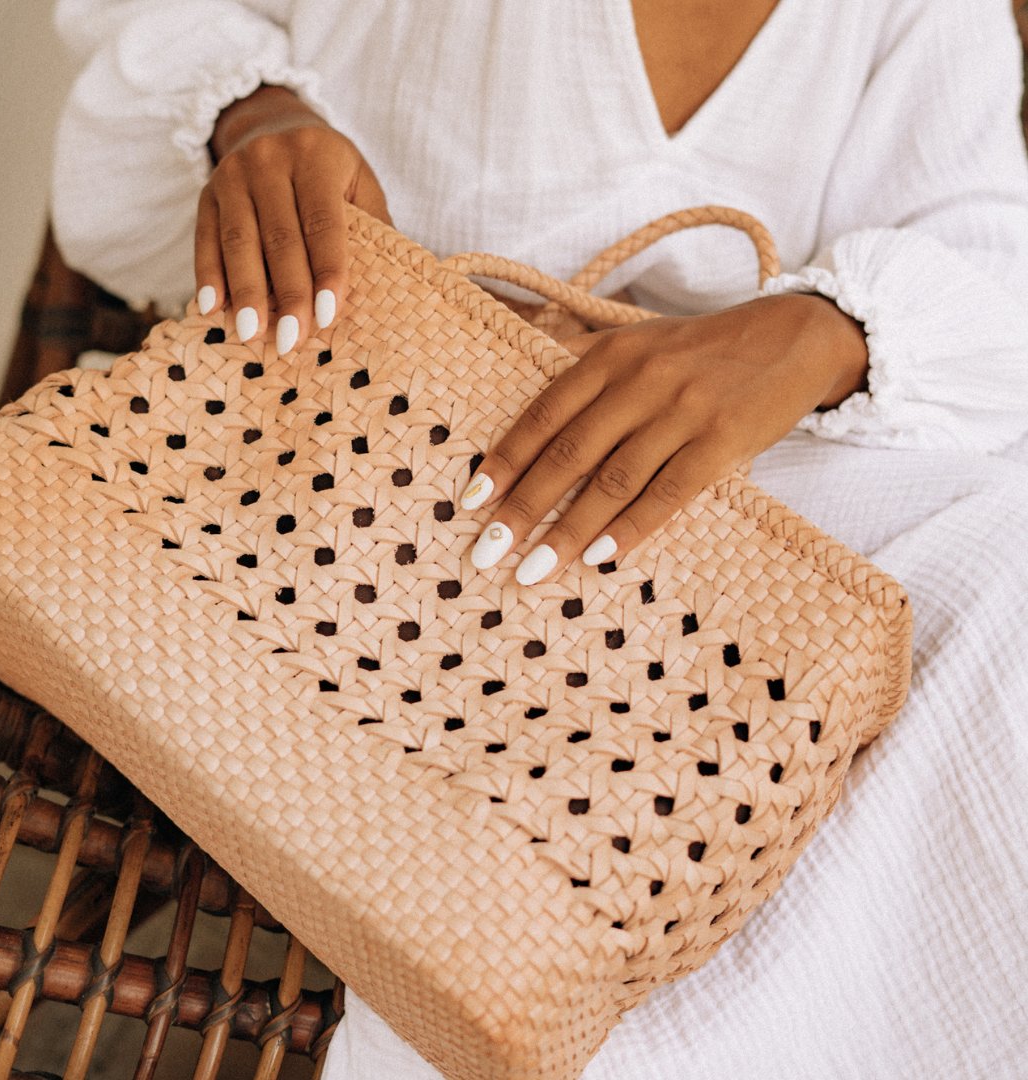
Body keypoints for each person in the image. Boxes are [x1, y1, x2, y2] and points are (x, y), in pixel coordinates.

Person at [50, 1, 1028, 1076]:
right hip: (365, 456)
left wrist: (819, 333)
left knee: (1005, 576)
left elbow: (987, 261)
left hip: (744, 486)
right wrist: (249, 111)